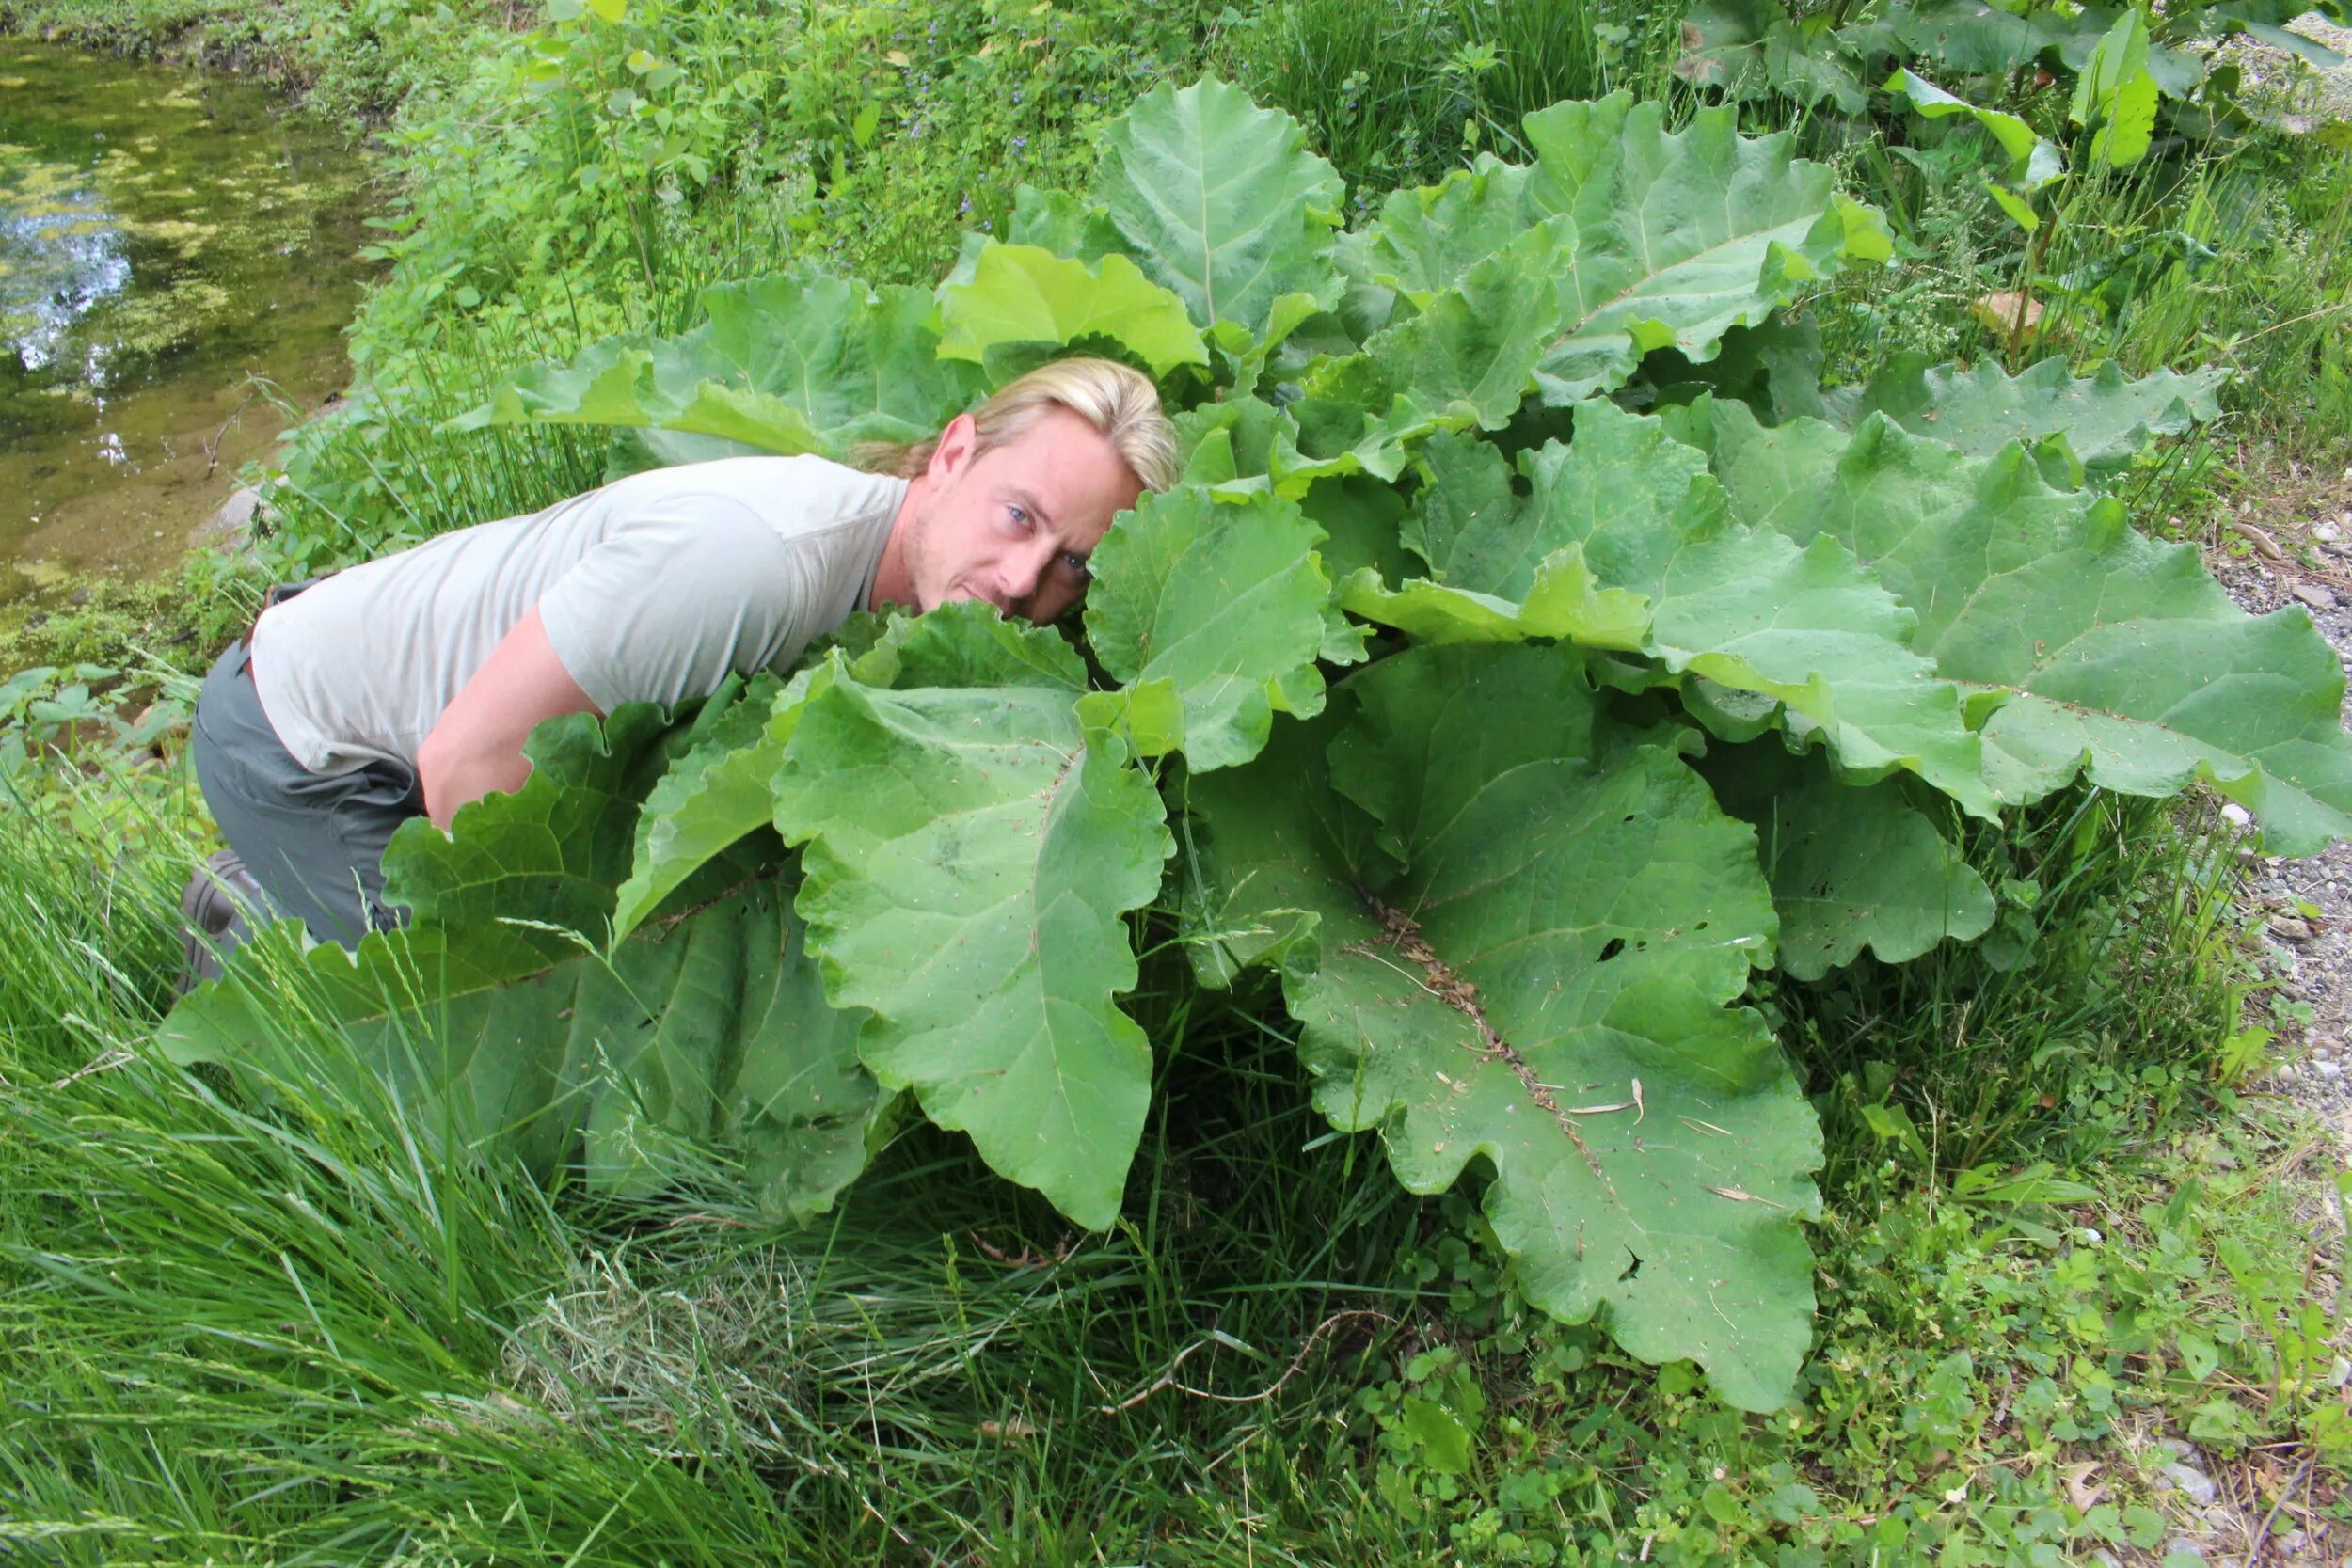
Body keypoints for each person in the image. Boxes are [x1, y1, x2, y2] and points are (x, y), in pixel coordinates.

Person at [180, 356, 1178, 976]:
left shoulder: (898, 589)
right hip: (304, 736)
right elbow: (466, 760)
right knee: (450, 1035)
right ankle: (250, 912)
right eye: (1019, 516)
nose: (1022, 579)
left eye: (1074, 563)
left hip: (427, 719)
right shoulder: (753, 564)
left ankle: (295, 895)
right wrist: (575, 977)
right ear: (953, 452)